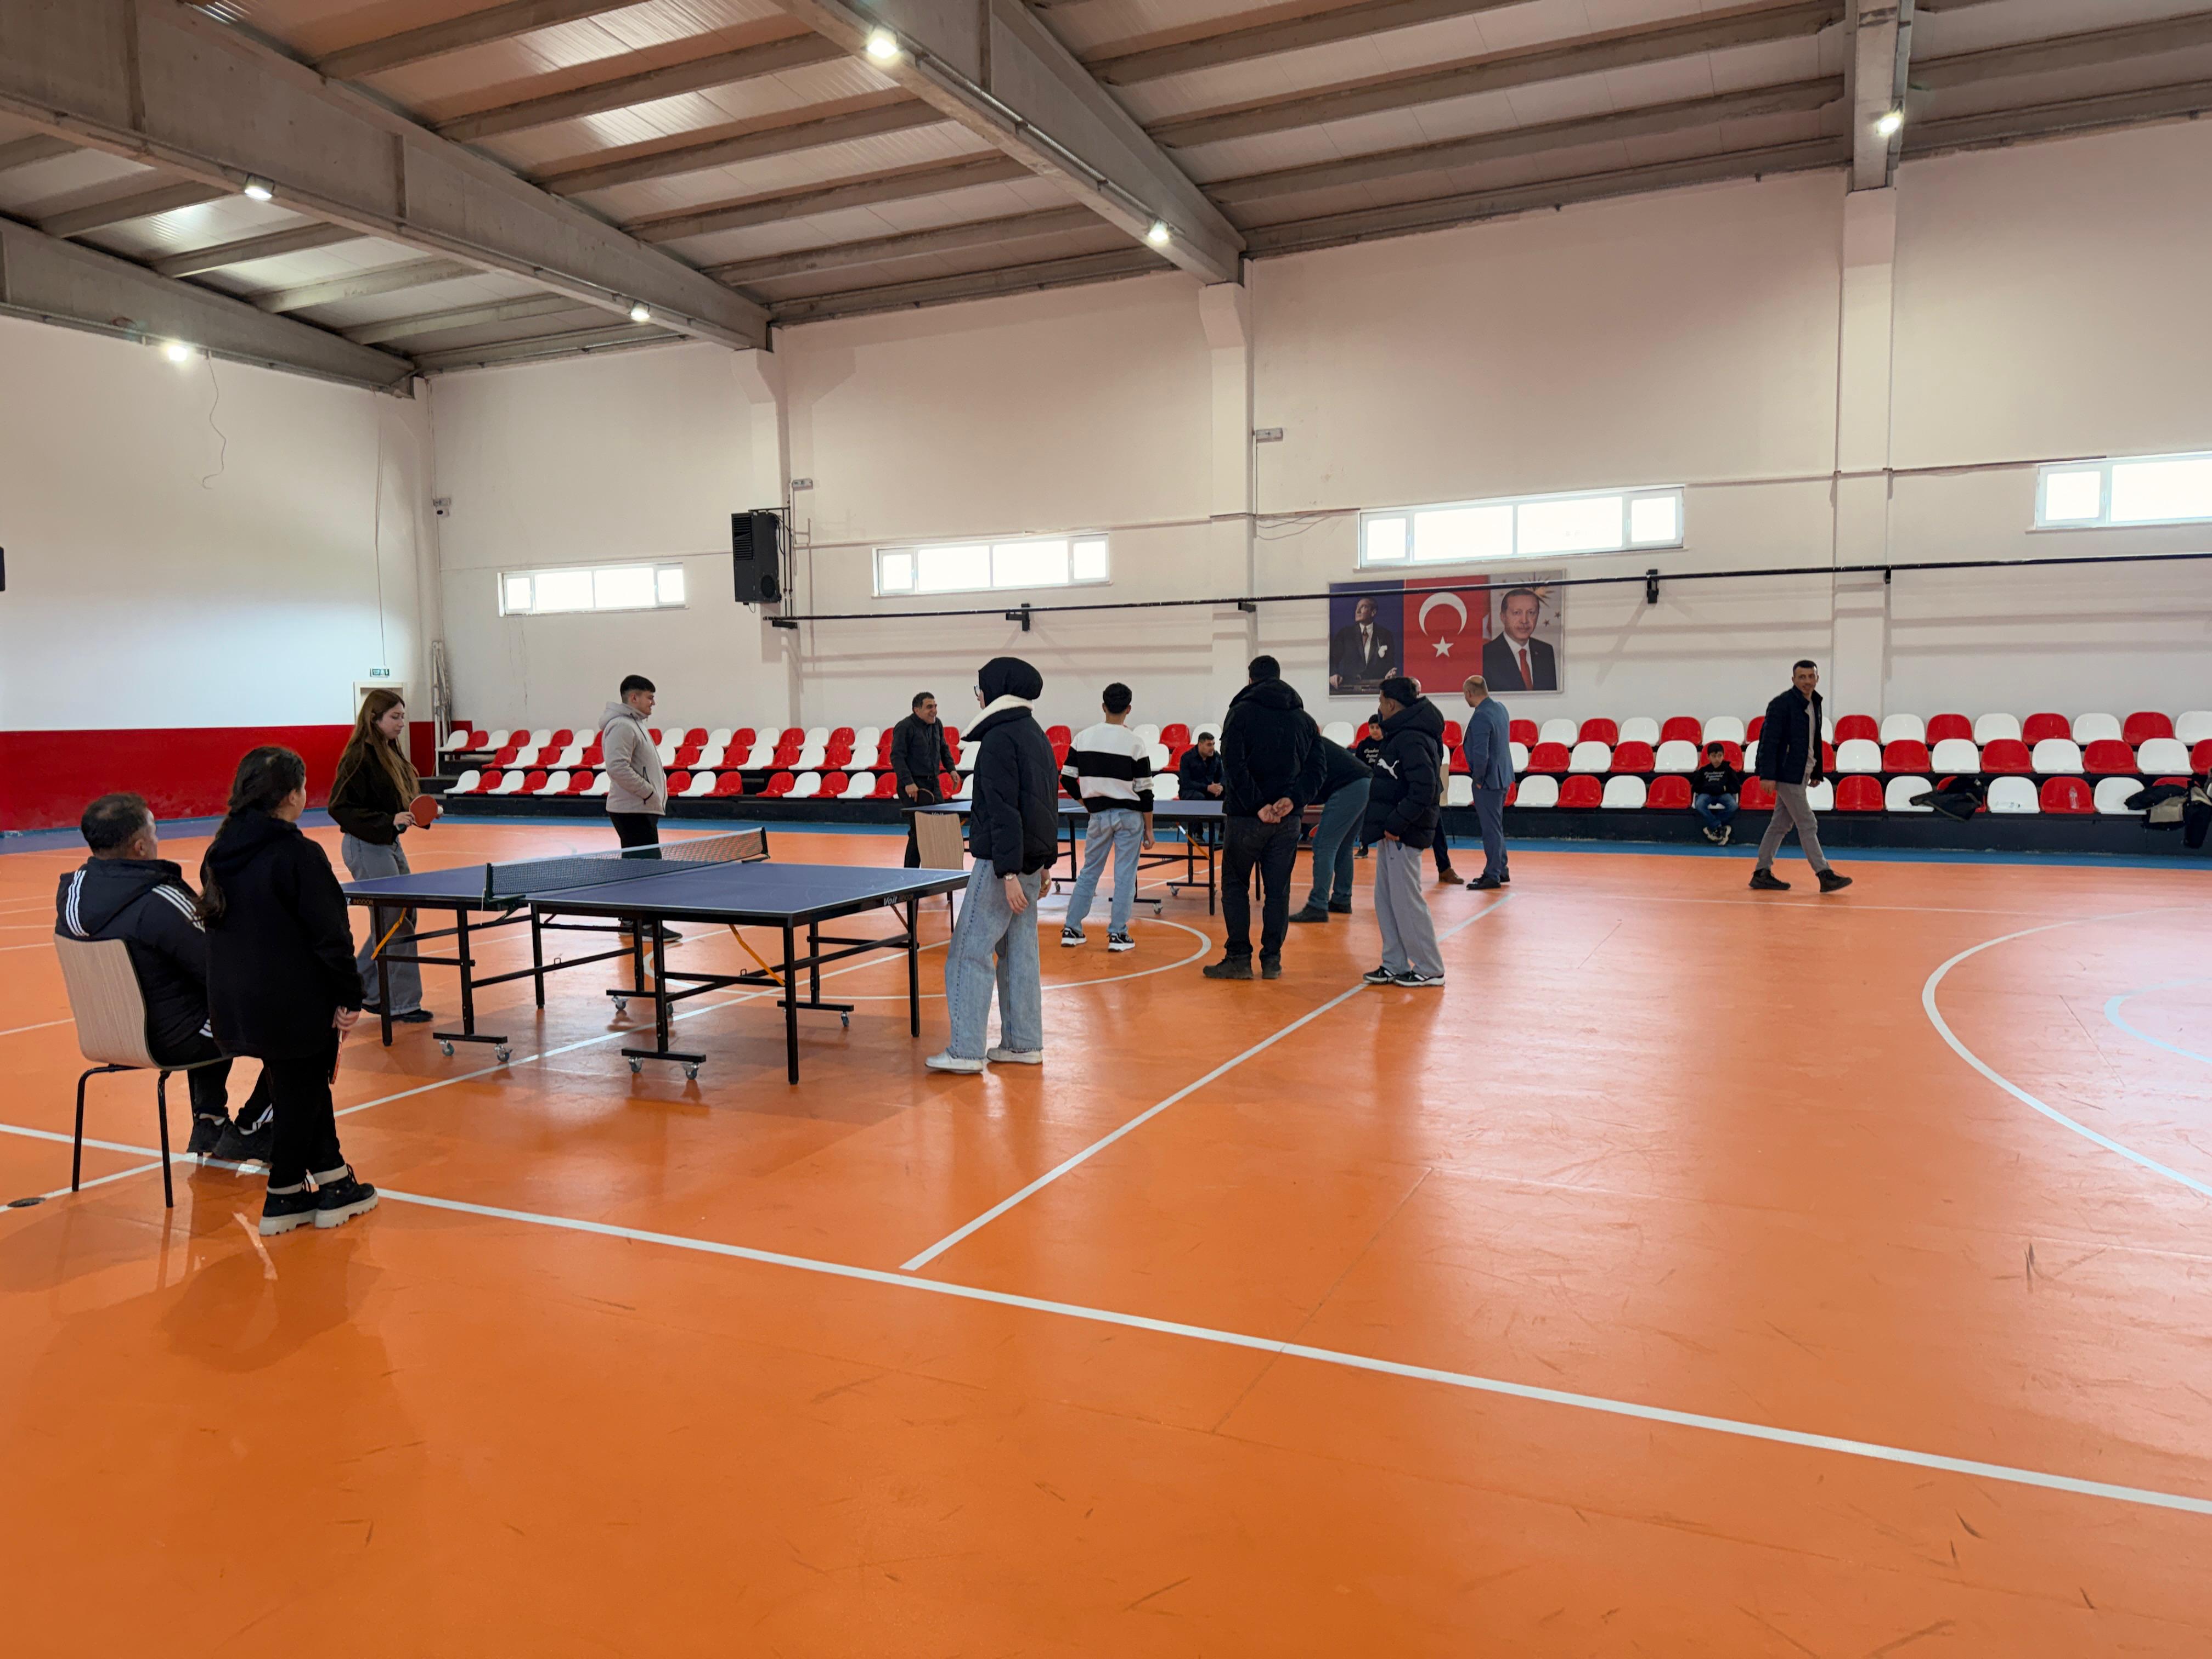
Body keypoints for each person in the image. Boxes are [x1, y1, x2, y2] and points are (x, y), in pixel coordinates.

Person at [199, 747, 378, 1236]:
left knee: (303, 1082)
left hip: (234, 1003)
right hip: (292, 1003)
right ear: (292, 796)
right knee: (301, 1085)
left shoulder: (218, 853)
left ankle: (334, 1178)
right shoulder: (299, 854)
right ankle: (284, 1194)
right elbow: (332, 937)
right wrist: (351, 996)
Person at [54, 793, 273, 1164]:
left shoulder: (71, 897)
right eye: (154, 830)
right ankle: (252, 1130)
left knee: (203, 1001)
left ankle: (210, 1119)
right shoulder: (161, 899)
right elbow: (223, 968)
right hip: (172, 1041)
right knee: (304, 1018)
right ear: (140, 847)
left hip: (108, 1034)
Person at [928, 657, 1058, 1073]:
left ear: (997, 689)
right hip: (1030, 863)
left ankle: (966, 1050)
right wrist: (1044, 864)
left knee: (969, 951)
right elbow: (1044, 807)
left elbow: (1004, 811)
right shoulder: (1036, 735)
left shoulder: (1000, 738)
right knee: (1020, 954)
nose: (979, 696)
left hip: (1003, 865)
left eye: (980, 688)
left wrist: (1007, 872)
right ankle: (1023, 1044)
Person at [1206, 656, 1323, 981]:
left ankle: (1239, 959)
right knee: (1278, 891)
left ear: (1251, 680)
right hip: (1287, 820)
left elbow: (1233, 764)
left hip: (1246, 818)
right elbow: (1318, 769)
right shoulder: (1304, 720)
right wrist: (1293, 800)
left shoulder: (1240, 713)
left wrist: (1258, 805)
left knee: (1235, 886)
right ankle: (1272, 961)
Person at [328, 688, 434, 1022]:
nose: (402, 723)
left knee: (401, 916)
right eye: (395, 717)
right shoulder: (359, 756)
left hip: (388, 843)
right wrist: (387, 821)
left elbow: (396, 802)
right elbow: (340, 807)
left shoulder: (390, 752)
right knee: (395, 920)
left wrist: (418, 813)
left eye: (403, 716)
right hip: (365, 845)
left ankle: (364, 990)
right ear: (374, 718)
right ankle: (401, 1003)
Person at [1359, 678, 1447, 988]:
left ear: (1392, 704)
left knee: (1406, 900)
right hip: (1391, 832)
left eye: (1381, 702)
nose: (1379, 708)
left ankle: (1430, 967)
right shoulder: (1401, 734)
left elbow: (1425, 788)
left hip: (1403, 833)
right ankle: (1394, 962)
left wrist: (1397, 823)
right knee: (1386, 899)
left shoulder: (1411, 737)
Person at [1059, 682, 1154, 953]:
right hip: (1130, 817)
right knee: (1125, 875)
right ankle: (1118, 934)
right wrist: (1149, 830)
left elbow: (1067, 778)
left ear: (1103, 706)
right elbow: (1145, 791)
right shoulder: (1135, 742)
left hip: (1098, 816)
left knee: (1090, 871)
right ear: (1129, 709)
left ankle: (1072, 929)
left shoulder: (1083, 738)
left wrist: (1087, 803)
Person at [1751, 659, 1852, 893]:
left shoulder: (1814, 702)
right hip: (1787, 774)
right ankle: (1824, 873)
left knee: (1780, 824)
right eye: (1802, 677)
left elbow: (1814, 740)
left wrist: (1816, 771)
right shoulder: (1781, 705)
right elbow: (1768, 741)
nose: (1807, 681)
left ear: (1817, 678)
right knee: (1807, 822)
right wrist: (1767, 774)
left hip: (1803, 772)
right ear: (1793, 680)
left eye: (1811, 676)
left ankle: (1761, 872)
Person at [600, 673, 679, 941]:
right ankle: (645, 925)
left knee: (636, 867)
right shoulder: (622, 726)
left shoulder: (635, 724)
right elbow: (617, 768)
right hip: (633, 809)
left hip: (639, 807)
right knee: (647, 868)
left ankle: (630, 920)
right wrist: (648, 792)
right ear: (634, 698)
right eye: (649, 697)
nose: (653, 703)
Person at [1289, 736, 1370, 922]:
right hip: (1363, 783)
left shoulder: (1299, 745)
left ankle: (1317, 905)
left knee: (1323, 845)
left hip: (1349, 786)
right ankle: (1342, 899)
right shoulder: (1308, 740)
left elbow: (1309, 781)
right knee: (1343, 846)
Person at [890, 690, 956, 868]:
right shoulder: (904, 727)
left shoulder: (937, 724)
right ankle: (910, 874)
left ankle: (935, 870)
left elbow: (944, 748)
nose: (934, 710)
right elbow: (897, 757)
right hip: (913, 787)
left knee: (939, 825)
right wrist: (909, 782)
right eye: (929, 707)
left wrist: (951, 769)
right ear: (917, 710)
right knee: (919, 831)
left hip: (933, 784)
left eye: (935, 706)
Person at [1459, 675, 1513, 888]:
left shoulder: (1481, 716)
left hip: (1488, 780)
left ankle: (1492, 874)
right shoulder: (1500, 709)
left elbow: (1481, 753)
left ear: (1469, 693)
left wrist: (1478, 779)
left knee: (1490, 828)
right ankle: (1501, 869)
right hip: (1502, 776)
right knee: (1496, 825)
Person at [1481, 586, 1558, 692]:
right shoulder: (1486, 655)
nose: (1524, 621)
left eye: (1531, 613)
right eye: (1517, 613)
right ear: (1503, 617)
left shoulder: (1545, 651)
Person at [1328, 595, 1398, 692]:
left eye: (1363, 607)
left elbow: (1390, 664)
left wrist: (1389, 675)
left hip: (1376, 689)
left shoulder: (1385, 635)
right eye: (1357, 607)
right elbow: (1333, 660)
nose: (1357, 611)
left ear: (1373, 612)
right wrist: (1333, 674)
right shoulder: (1345, 634)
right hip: (1349, 688)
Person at [1688, 741, 1743, 844]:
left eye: (1720, 756)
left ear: (1723, 756)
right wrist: (1708, 788)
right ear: (1708, 757)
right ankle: (1720, 827)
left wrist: (1725, 789)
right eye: (1714, 756)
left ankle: (1714, 826)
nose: (1717, 759)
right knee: (1699, 804)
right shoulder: (1703, 771)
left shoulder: (1728, 770)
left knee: (1733, 806)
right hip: (1707, 794)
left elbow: (1736, 787)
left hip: (1724, 794)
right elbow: (1696, 787)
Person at [1351, 718, 1385, 859]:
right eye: (1372, 727)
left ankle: (1386, 848)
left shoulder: (1388, 744)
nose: (1375, 731)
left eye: (1378, 727)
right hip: (1367, 785)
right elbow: (1357, 765)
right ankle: (1363, 846)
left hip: (1384, 785)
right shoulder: (1363, 745)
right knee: (1365, 817)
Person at [1176, 731, 1224, 800]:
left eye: (1213, 744)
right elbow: (1187, 783)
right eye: (1209, 745)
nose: (1213, 748)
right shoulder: (1187, 758)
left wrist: (1221, 787)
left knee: (1228, 795)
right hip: (1191, 790)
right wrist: (1207, 788)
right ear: (1200, 745)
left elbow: (1222, 776)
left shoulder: (1216, 756)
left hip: (1210, 789)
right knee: (1199, 797)